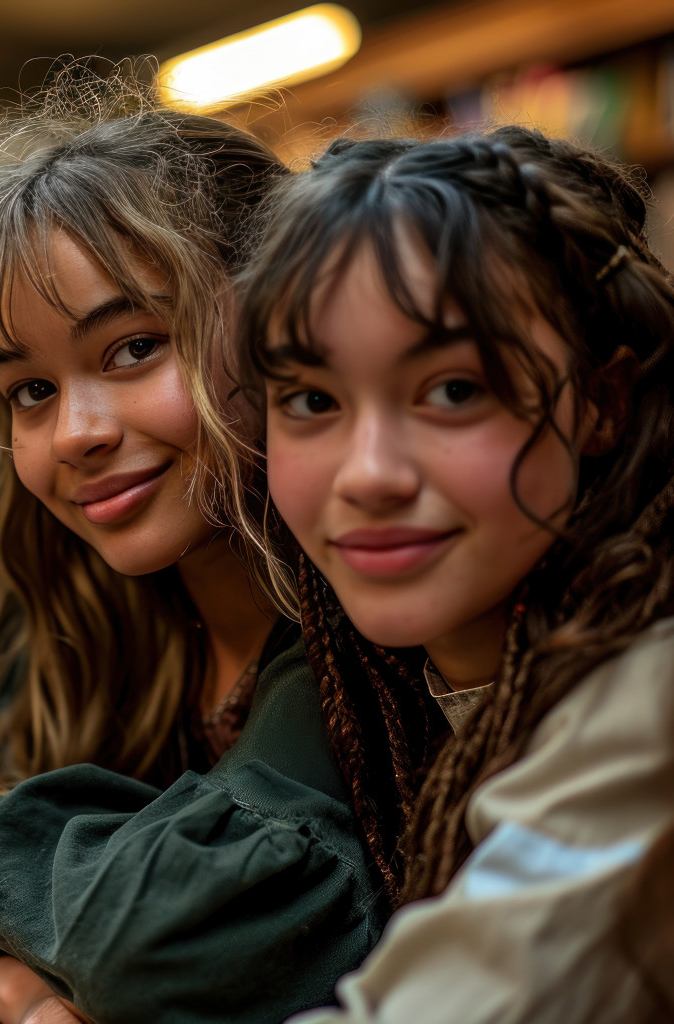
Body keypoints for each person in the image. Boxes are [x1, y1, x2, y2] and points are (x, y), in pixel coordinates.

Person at [0, 67, 442, 1024]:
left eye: (132, 350)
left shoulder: (355, 618)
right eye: (29, 390)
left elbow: (167, 945)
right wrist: (22, 992)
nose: (76, 431)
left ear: (276, 326)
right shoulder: (106, 611)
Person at [236, 126, 674, 1023]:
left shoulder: (653, 692)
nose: (368, 474)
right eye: (312, 401)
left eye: (454, 390)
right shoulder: (401, 681)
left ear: (603, 402)